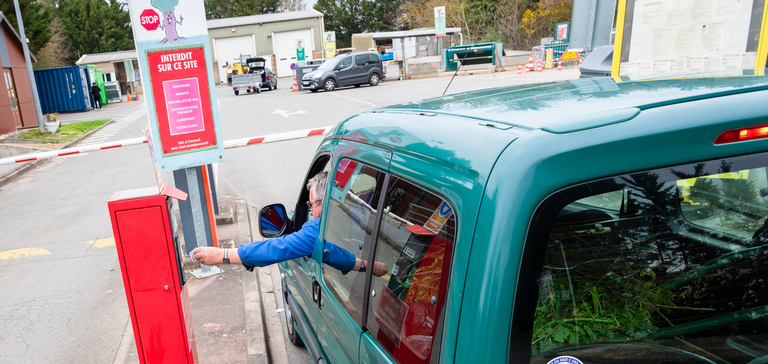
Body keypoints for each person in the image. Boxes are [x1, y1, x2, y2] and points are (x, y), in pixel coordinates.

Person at [194, 172, 389, 276]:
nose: (311, 211)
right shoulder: (360, 210)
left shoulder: (316, 230)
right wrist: (366, 266)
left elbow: (276, 248)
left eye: (311, 205)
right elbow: (334, 252)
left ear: (324, 202)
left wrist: (222, 255)